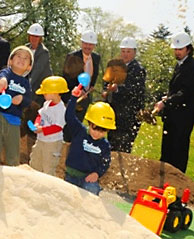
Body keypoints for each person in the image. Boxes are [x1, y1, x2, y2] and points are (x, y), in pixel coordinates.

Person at [64, 85, 116, 195]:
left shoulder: (104, 145)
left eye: (102, 131)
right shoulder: (79, 131)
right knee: (68, 194)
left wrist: (97, 173)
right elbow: (69, 117)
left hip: (87, 178)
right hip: (71, 176)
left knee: (92, 189)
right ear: (89, 123)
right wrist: (73, 98)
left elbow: (105, 163)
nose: (97, 133)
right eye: (95, 128)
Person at [154, 32, 194, 173]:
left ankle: (175, 188)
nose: (177, 52)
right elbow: (177, 90)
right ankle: (163, 185)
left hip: (182, 119)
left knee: (177, 153)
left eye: (180, 49)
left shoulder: (191, 66)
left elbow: (185, 92)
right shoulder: (180, 65)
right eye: (175, 49)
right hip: (172, 117)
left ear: (188, 49)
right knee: (167, 151)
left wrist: (166, 102)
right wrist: (166, 98)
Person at [104, 37, 146, 153]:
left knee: (124, 147)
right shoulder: (114, 65)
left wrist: (118, 89)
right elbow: (106, 81)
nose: (125, 54)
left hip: (129, 116)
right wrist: (105, 91)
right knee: (111, 143)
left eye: (128, 51)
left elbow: (136, 90)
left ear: (134, 52)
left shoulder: (138, 69)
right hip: (114, 112)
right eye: (123, 51)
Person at [0, 45, 34, 166]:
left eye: (26, 58)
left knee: (13, 152)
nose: (22, 59)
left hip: (14, 120)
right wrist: (2, 81)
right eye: (18, 56)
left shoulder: (26, 83)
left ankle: (13, 170)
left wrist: (21, 99)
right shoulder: (6, 73)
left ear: (29, 67)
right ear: (10, 60)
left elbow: (28, 100)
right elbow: (2, 76)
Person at [29, 76, 69, 176]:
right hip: (41, 140)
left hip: (52, 143)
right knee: (35, 163)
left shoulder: (61, 109)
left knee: (48, 167)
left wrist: (42, 129)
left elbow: (58, 127)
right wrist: (37, 124)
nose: (43, 94)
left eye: (45, 92)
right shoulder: (46, 103)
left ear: (55, 92)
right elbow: (40, 114)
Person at [26, 23, 53, 106]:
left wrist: (26, 87)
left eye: (37, 36)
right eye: (32, 35)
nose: (34, 38)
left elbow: (36, 72)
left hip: (39, 91)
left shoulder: (44, 52)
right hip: (29, 88)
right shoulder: (25, 48)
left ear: (40, 38)